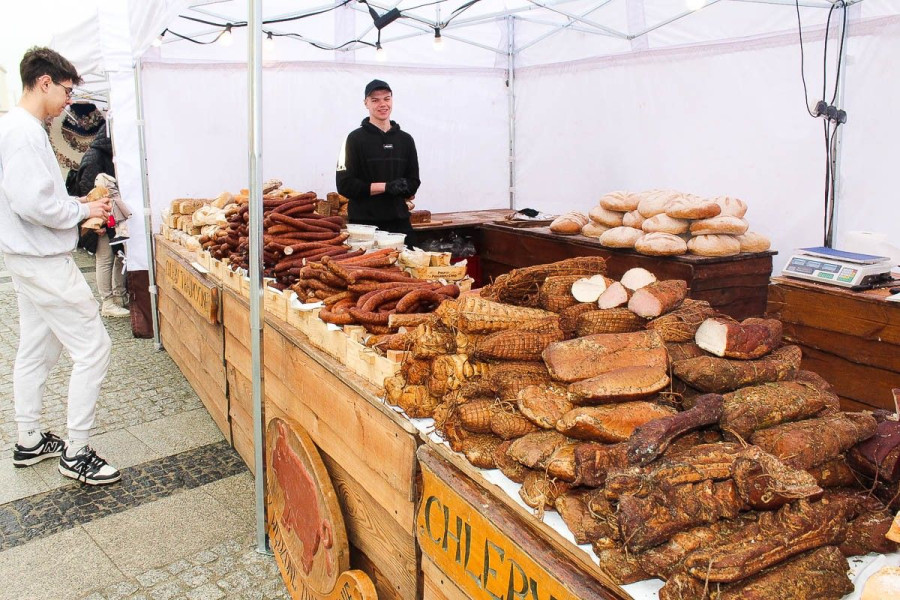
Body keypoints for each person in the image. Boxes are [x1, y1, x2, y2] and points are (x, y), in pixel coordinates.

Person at [0, 47, 121, 485]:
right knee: (94, 348)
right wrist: (78, 213)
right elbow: (32, 202)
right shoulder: (23, 132)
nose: (69, 100)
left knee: (36, 349)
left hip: (28, 257)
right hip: (42, 259)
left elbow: (35, 199)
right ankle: (77, 450)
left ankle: (29, 437)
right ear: (44, 82)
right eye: (66, 91)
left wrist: (75, 206)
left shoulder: (19, 129)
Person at [336, 79, 420, 234]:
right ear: (366, 103)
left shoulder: (406, 140)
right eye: (375, 100)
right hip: (364, 227)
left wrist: (405, 188)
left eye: (387, 99)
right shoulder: (353, 139)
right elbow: (344, 185)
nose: (383, 104)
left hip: (400, 225)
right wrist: (387, 187)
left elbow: (413, 181)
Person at [76, 127, 129, 318]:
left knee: (118, 255)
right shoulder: (95, 157)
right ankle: (107, 302)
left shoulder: (103, 154)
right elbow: (87, 189)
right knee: (105, 258)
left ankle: (119, 296)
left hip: (111, 216)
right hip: (100, 217)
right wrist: (95, 220)